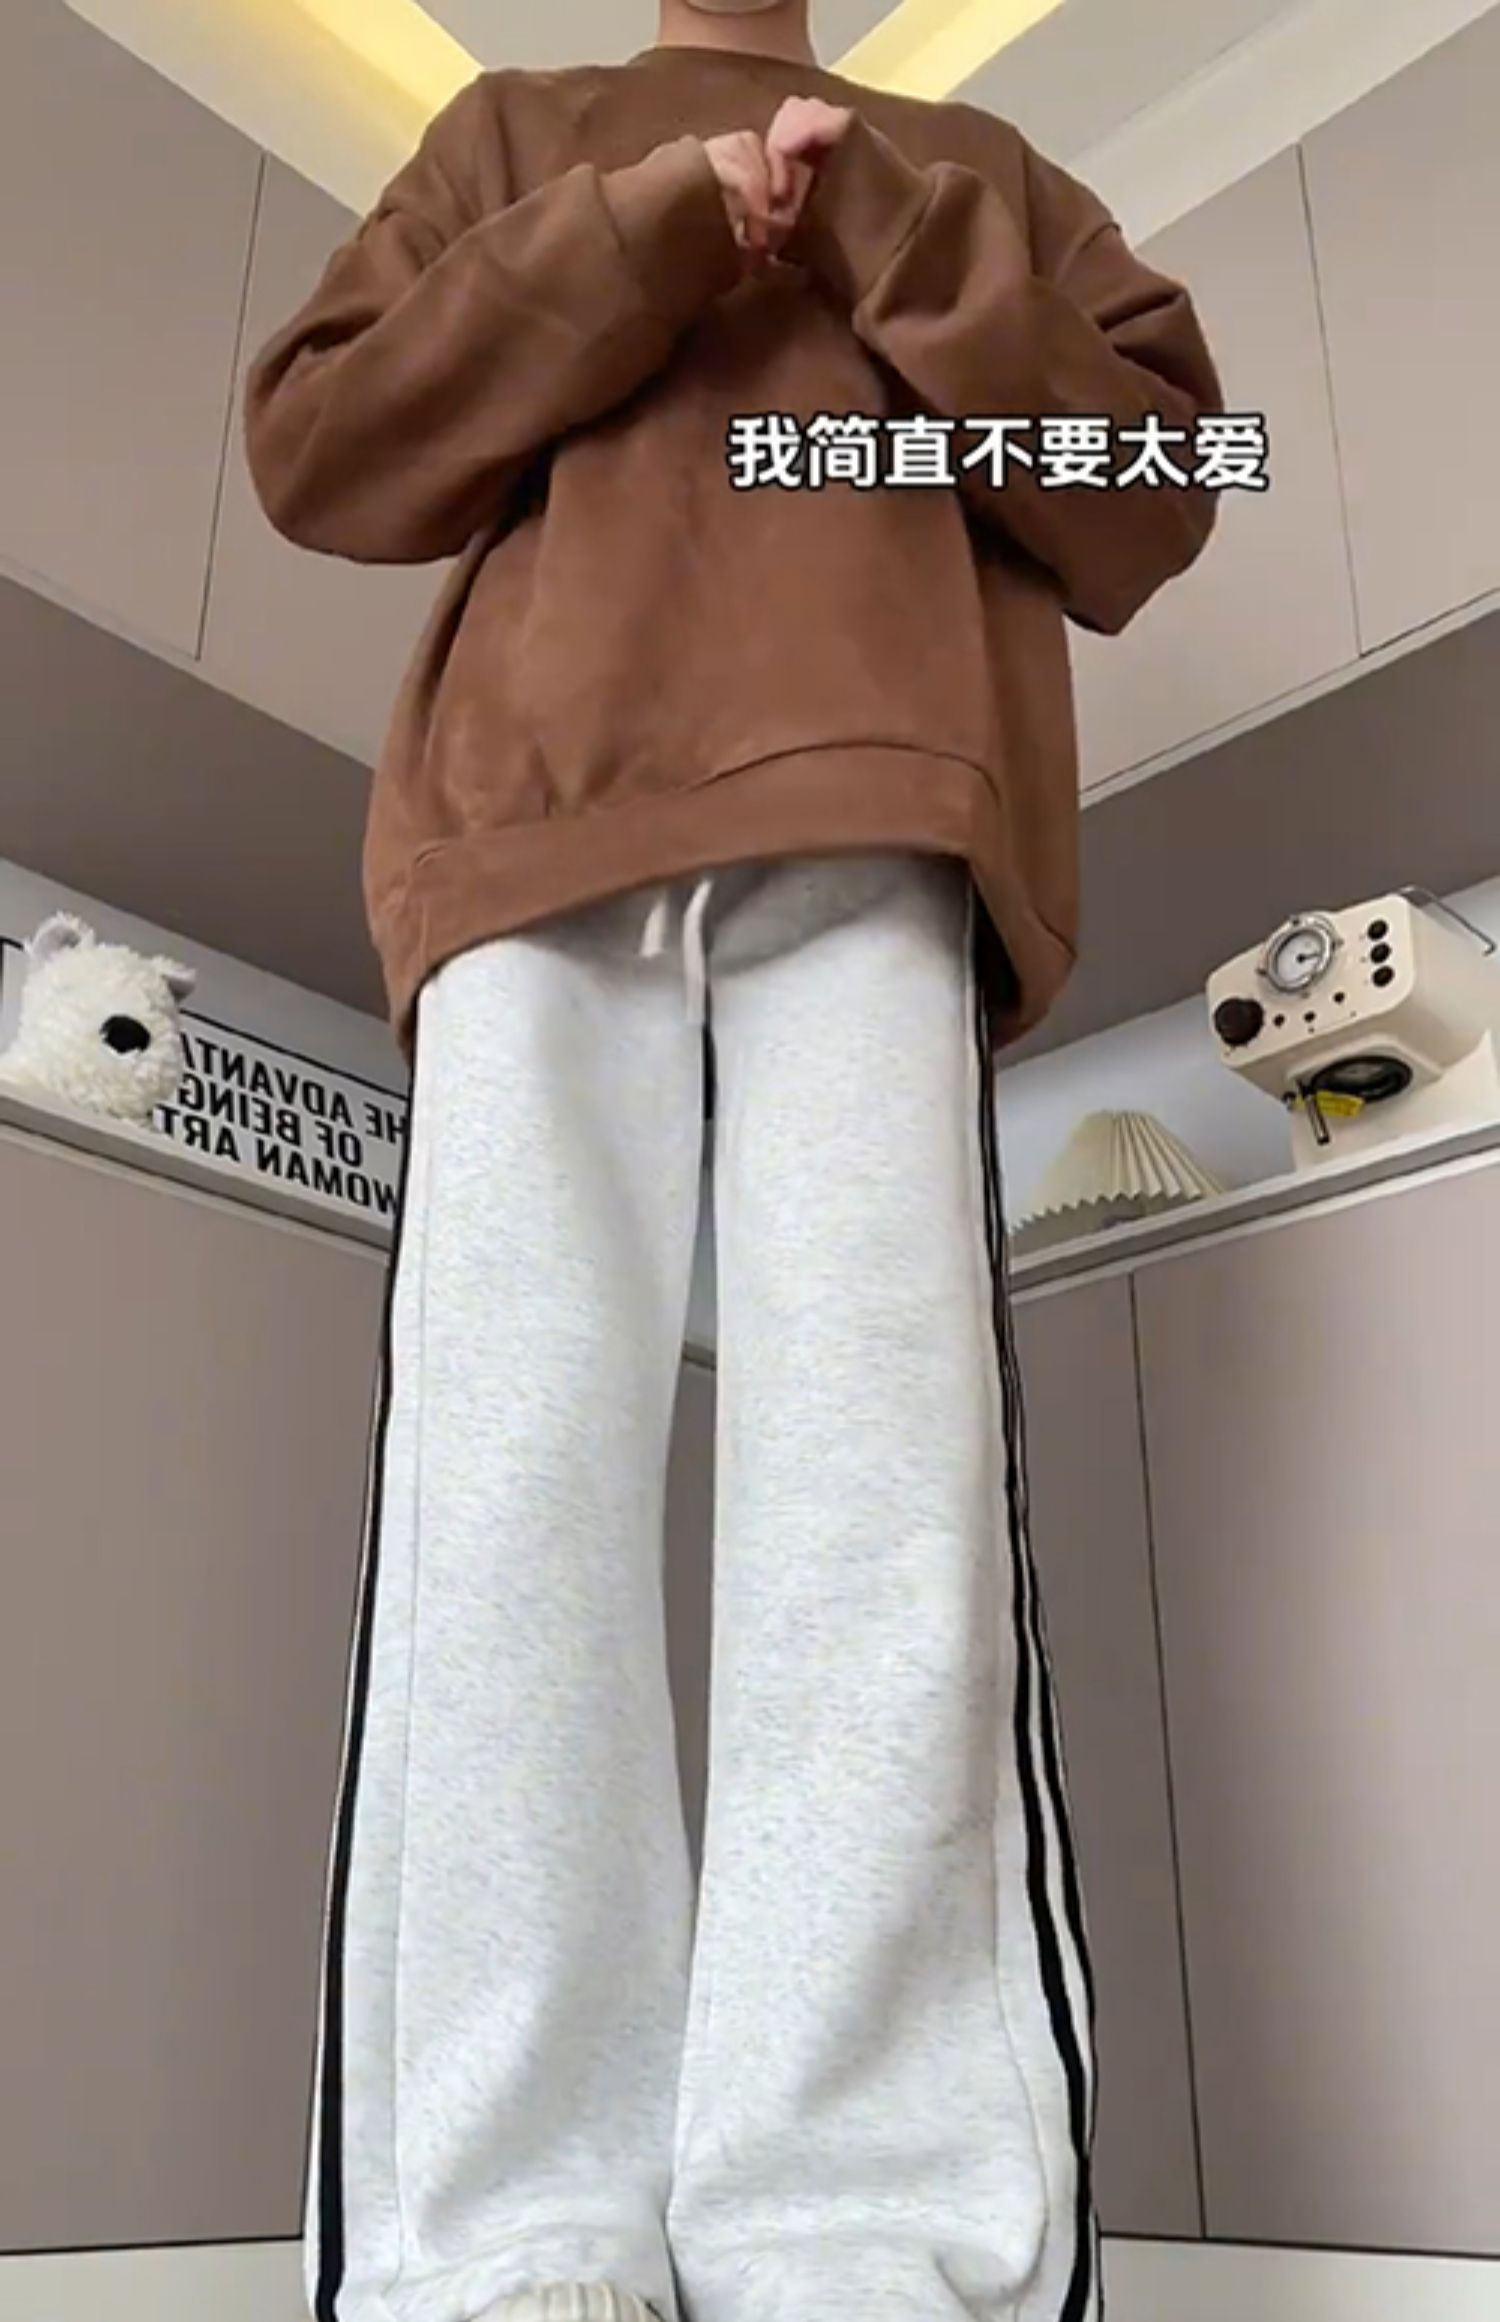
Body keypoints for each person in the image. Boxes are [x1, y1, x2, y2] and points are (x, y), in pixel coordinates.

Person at [244, 1, 1222, 2317]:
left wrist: (898, 232)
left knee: (876, 1510)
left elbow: (1171, 483)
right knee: (507, 1508)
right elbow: (322, 447)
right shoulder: (514, 131)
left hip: (881, 820)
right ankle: (510, 2224)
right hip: (524, 834)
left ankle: (858, 2219)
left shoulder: (974, 158)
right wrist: (644, 228)